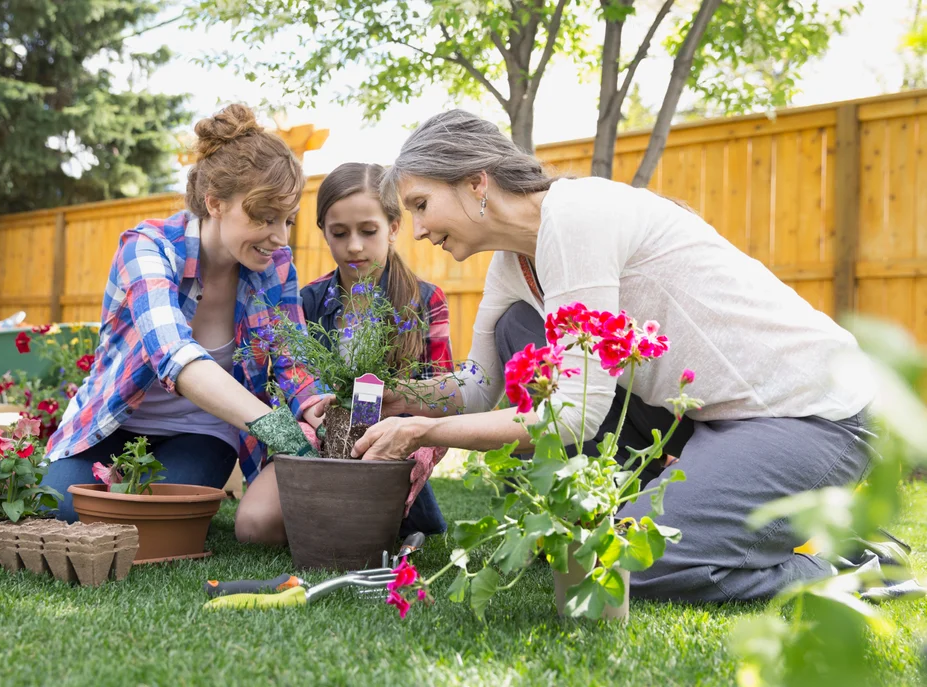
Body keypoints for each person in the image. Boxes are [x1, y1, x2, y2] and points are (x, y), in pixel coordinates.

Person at [350, 109, 877, 603]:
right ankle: (643, 514)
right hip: (702, 413)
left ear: (475, 183)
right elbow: (477, 384)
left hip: (808, 415)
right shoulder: (513, 263)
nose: (416, 230)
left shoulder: (578, 218)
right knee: (519, 328)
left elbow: (576, 415)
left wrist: (424, 432)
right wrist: (404, 399)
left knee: (631, 563)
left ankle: (846, 567)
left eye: (421, 205)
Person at [44, 104, 321, 535]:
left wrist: (316, 408)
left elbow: (292, 360)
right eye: (264, 218)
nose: (280, 237)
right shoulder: (149, 248)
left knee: (152, 521)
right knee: (58, 512)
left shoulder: (276, 266)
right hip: (117, 422)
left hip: (203, 433)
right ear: (215, 203)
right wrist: (272, 425)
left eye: (286, 220)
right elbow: (173, 355)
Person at [301, 162, 454, 537]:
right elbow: (299, 385)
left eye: (369, 231)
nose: (354, 245)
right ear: (324, 232)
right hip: (328, 435)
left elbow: (445, 396)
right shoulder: (309, 301)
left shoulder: (425, 299)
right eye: (339, 233)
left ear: (394, 228)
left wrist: (411, 447)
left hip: (396, 439)